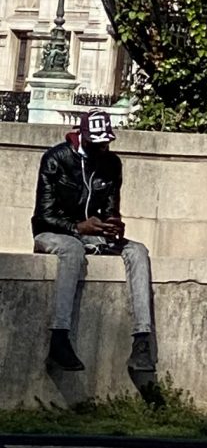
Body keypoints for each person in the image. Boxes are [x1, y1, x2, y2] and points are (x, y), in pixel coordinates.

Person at [33, 110, 159, 395]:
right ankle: (59, 337)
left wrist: (113, 226)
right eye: (97, 143)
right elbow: (43, 215)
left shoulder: (112, 164)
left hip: (93, 235)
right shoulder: (56, 159)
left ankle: (141, 341)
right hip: (56, 233)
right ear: (83, 138)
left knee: (138, 251)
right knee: (72, 249)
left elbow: (111, 209)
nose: (103, 149)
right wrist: (78, 226)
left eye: (106, 143)